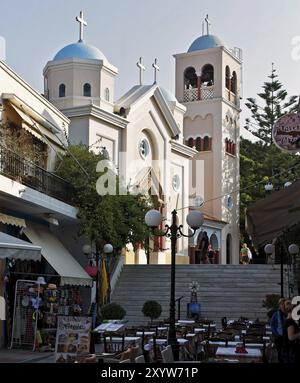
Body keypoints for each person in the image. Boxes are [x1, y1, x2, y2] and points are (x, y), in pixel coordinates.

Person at [270, 298, 286, 363]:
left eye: (284, 304)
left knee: (285, 353)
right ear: (279, 305)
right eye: (282, 304)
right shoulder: (276, 314)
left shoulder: (288, 313)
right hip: (279, 336)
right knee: (280, 353)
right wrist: (275, 333)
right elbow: (271, 324)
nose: (283, 305)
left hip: (287, 336)